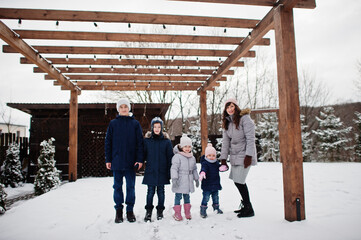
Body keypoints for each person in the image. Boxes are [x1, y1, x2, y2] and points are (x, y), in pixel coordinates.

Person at [105, 98, 144, 223]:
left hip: (131, 163)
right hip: (116, 162)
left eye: (125, 107)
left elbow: (140, 143)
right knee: (117, 187)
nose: (123, 109)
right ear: (118, 109)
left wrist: (139, 160)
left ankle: (130, 211)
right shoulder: (113, 124)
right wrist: (108, 159)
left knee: (130, 187)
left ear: (129, 109)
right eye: (121, 107)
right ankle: (119, 211)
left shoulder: (135, 124)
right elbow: (108, 143)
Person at [219, 98, 257, 218]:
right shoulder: (227, 123)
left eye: (232, 106)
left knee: (240, 181)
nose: (230, 109)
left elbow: (250, 139)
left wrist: (249, 156)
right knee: (237, 181)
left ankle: (249, 208)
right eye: (227, 107)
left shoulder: (245, 119)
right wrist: (223, 159)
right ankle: (246, 205)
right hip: (235, 155)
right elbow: (225, 142)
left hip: (245, 154)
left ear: (236, 106)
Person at [142, 117, 174, 222]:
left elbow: (170, 158)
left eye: (159, 127)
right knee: (150, 192)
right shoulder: (147, 141)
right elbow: (142, 154)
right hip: (151, 171)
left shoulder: (166, 142)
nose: (156, 129)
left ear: (162, 128)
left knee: (161, 192)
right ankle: (148, 211)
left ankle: (160, 211)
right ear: (152, 127)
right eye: (155, 127)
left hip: (162, 171)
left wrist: (170, 172)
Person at [171, 134, 199, 221]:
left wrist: (196, 178)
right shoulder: (177, 157)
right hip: (180, 179)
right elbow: (174, 168)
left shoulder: (192, 157)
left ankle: (187, 213)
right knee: (178, 196)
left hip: (189, 180)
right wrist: (174, 179)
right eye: (185, 146)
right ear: (181, 147)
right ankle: (177, 213)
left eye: (189, 146)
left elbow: (194, 169)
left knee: (187, 197)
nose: (187, 148)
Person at [199, 143, 223, 218]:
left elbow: (219, 167)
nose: (211, 157)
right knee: (206, 198)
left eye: (213, 155)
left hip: (215, 184)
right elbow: (203, 169)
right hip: (207, 185)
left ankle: (216, 208)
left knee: (216, 197)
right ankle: (203, 209)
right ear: (206, 156)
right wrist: (202, 173)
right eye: (209, 156)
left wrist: (222, 168)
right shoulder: (205, 163)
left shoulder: (216, 163)